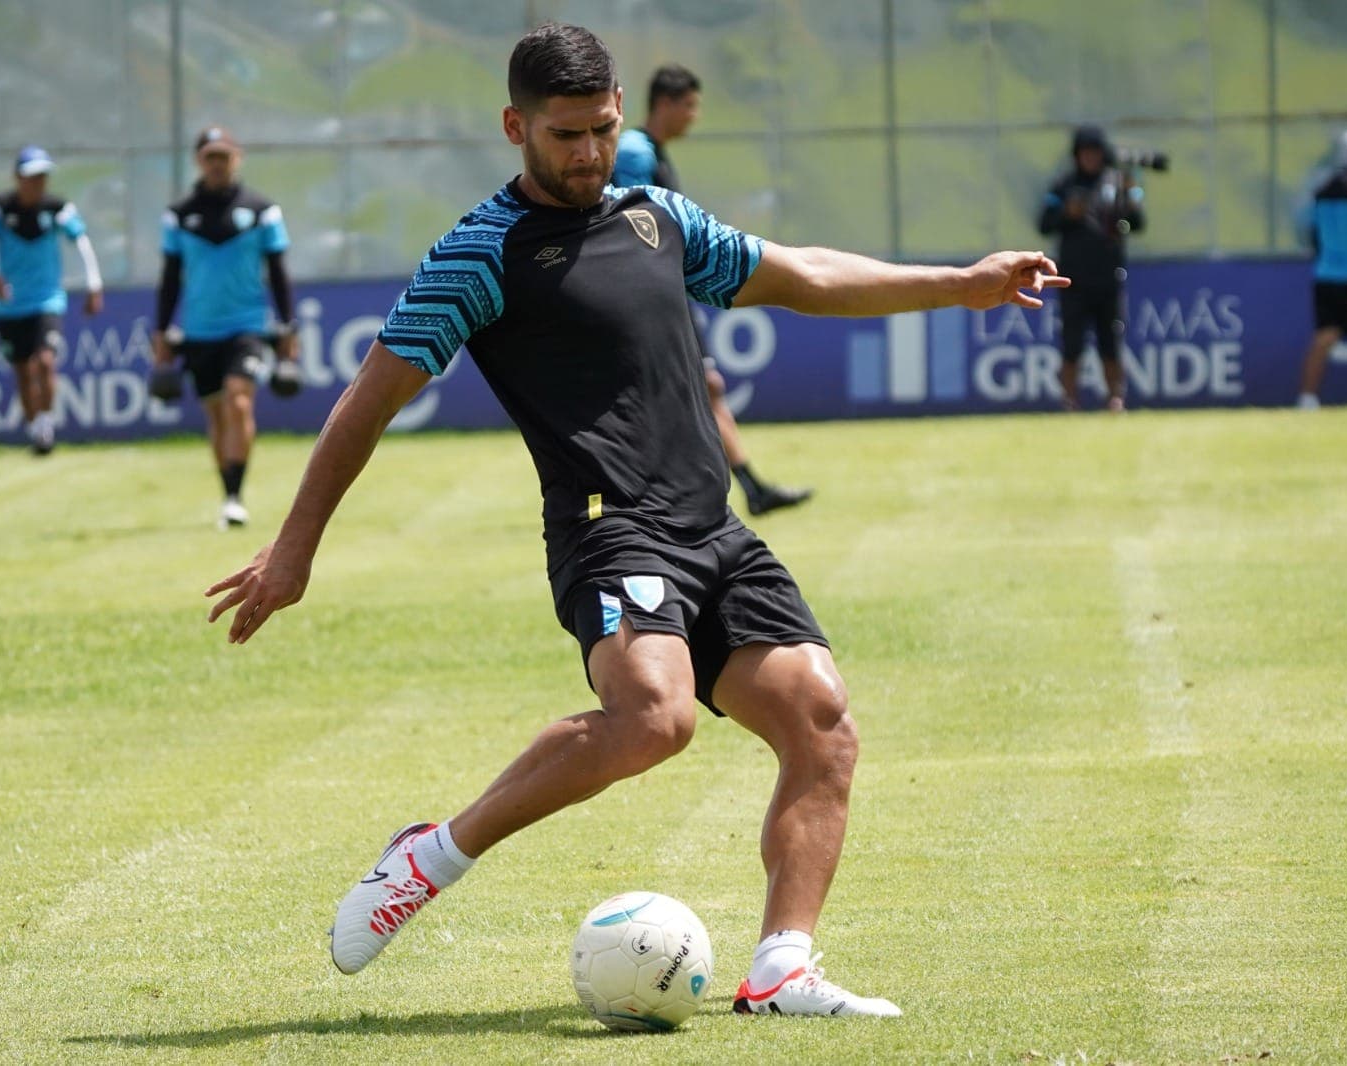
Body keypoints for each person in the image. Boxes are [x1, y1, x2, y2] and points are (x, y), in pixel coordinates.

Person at [206, 23, 1066, 1019]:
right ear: (513, 126)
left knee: (821, 722)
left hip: (711, 527)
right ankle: (431, 854)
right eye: (564, 135)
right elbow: (368, 400)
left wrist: (960, 283)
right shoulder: (478, 256)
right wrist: (296, 549)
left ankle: (783, 966)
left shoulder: (657, 215)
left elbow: (804, 274)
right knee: (653, 718)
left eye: (602, 130)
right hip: (607, 529)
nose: (587, 154)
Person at [612, 64, 811, 517]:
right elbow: (625, 226)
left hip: (666, 291)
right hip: (652, 295)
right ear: (664, 103)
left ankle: (746, 486)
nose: (694, 115)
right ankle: (685, 493)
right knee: (686, 390)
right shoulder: (636, 154)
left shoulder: (647, 150)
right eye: (689, 105)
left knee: (706, 386)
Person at [153, 126, 299, 528]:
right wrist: (161, 332)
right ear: (199, 161)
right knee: (217, 414)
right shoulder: (179, 216)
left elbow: (279, 271)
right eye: (210, 156)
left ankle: (235, 497)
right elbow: (170, 277)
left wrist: (288, 327)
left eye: (224, 156)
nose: (217, 164)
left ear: (238, 158)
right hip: (199, 331)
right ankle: (227, 491)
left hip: (247, 326)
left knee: (239, 399)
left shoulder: (261, 210)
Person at [0, 145, 103, 454]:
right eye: (31, 177)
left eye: (42, 177)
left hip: (46, 300)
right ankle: (34, 427)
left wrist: (94, 284)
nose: (37, 184)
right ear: (18, 178)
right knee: (21, 368)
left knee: (46, 360)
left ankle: (46, 424)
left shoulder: (57, 208)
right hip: (9, 303)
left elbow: (81, 241)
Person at [1038, 124, 1144, 412]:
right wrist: (1066, 214)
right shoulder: (1064, 185)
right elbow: (1045, 224)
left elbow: (1137, 224)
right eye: (1085, 153)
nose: (1090, 158)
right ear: (1076, 155)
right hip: (1071, 279)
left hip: (1108, 277)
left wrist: (1132, 199)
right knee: (1072, 343)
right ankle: (1069, 401)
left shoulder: (1116, 185)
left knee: (1110, 342)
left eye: (1095, 152)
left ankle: (1115, 400)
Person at [1294, 127, 1347, 410]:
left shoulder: (1321, 190)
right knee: (1325, 339)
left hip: (1328, 274)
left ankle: (1307, 400)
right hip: (1339, 275)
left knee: (1324, 338)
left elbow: (1309, 231)